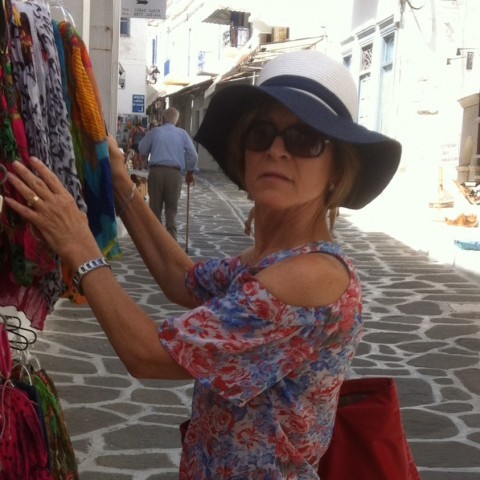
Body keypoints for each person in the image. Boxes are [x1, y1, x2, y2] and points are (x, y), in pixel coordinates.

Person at [5, 50, 401, 478]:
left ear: (337, 167)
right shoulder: (275, 260)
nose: (277, 151)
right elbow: (183, 280)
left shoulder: (310, 277)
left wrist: (79, 245)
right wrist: (120, 185)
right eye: (262, 133)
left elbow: (148, 355)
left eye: (305, 139)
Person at [139, 107, 198, 240]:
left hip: (156, 172)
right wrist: (190, 172)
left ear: (162, 119)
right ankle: (171, 242)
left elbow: (142, 149)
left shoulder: (155, 132)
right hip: (174, 174)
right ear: (177, 121)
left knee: (155, 210)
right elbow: (193, 155)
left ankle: (156, 241)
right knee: (171, 211)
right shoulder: (182, 134)